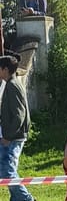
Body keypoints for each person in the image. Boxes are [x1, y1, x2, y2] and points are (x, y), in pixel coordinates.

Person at [0, 54, 33, 201]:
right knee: (5, 169)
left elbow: (19, 115)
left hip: (14, 137)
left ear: (5, 69)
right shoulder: (12, 83)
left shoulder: (13, 85)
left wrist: (8, 136)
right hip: (14, 135)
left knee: (8, 171)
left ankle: (26, 199)